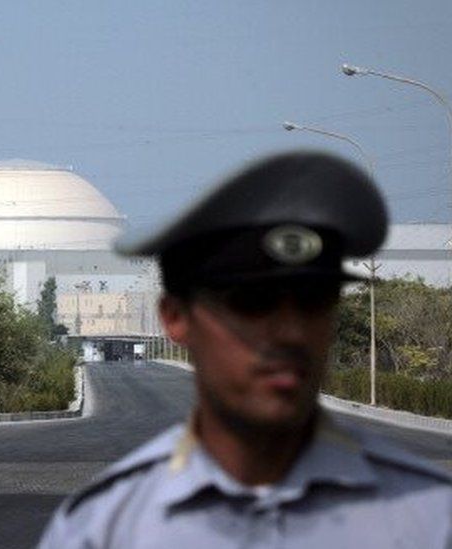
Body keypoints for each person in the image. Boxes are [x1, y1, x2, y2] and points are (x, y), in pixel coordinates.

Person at [38, 151, 452, 548]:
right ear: (176, 317)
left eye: (313, 299)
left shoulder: (429, 519)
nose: (290, 333)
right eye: (252, 304)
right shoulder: (106, 528)